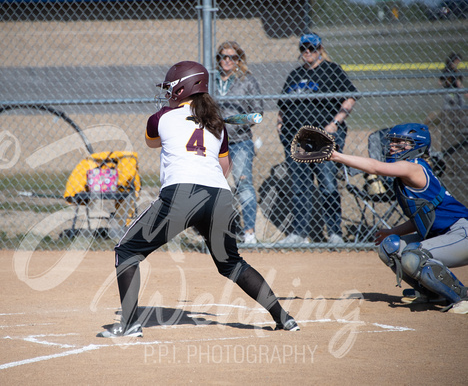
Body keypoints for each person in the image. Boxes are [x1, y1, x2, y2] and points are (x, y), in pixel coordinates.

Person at [96, 61, 300, 338]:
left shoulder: (160, 118)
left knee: (127, 251)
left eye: (170, 88)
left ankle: (130, 324)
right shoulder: (219, 126)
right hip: (219, 198)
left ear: (183, 88)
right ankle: (284, 318)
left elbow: (152, 142)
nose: (167, 94)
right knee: (231, 264)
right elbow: (223, 168)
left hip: (181, 194)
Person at [329, 123, 468, 314]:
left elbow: (375, 168)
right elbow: (423, 218)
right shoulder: (405, 175)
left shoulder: (413, 168)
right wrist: (392, 232)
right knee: (390, 247)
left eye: (398, 142)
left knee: (414, 255)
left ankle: (462, 297)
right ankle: (432, 293)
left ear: (415, 146)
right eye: (392, 141)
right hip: (444, 235)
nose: (392, 146)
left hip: (462, 234)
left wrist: (336, 156)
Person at [276, 33, 357, 245]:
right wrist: (280, 126)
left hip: (323, 136)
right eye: (304, 48)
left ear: (320, 49)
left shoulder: (331, 70)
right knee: (300, 185)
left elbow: (350, 97)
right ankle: (299, 233)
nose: (307, 52)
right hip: (296, 138)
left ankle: (334, 233)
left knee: (327, 183)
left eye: (312, 48)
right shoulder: (294, 75)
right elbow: (282, 106)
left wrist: (336, 123)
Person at [215, 41, 263, 244]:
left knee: (243, 185)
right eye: (223, 57)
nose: (227, 60)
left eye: (232, 57)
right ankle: (217, 232)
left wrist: (232, 120)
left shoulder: (247, 80)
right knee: (214, 187)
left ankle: (249, 233)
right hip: (215, 142)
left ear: (238, 59)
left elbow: (257, 115)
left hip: (240, 141)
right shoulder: (212, 80)